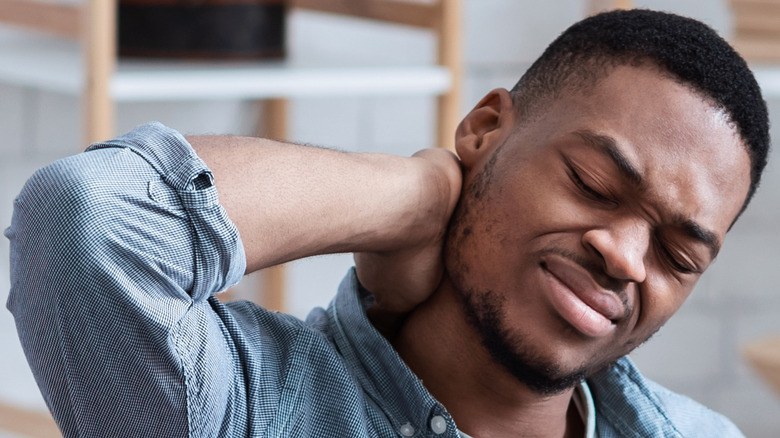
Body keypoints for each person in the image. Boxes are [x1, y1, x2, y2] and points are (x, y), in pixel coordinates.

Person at [5, 8, 769, 438]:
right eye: (593, 183)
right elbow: (88, 219)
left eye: (677, 255)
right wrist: (415, 194)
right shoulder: (243, 407)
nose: (627, 258)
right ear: (484, 129)